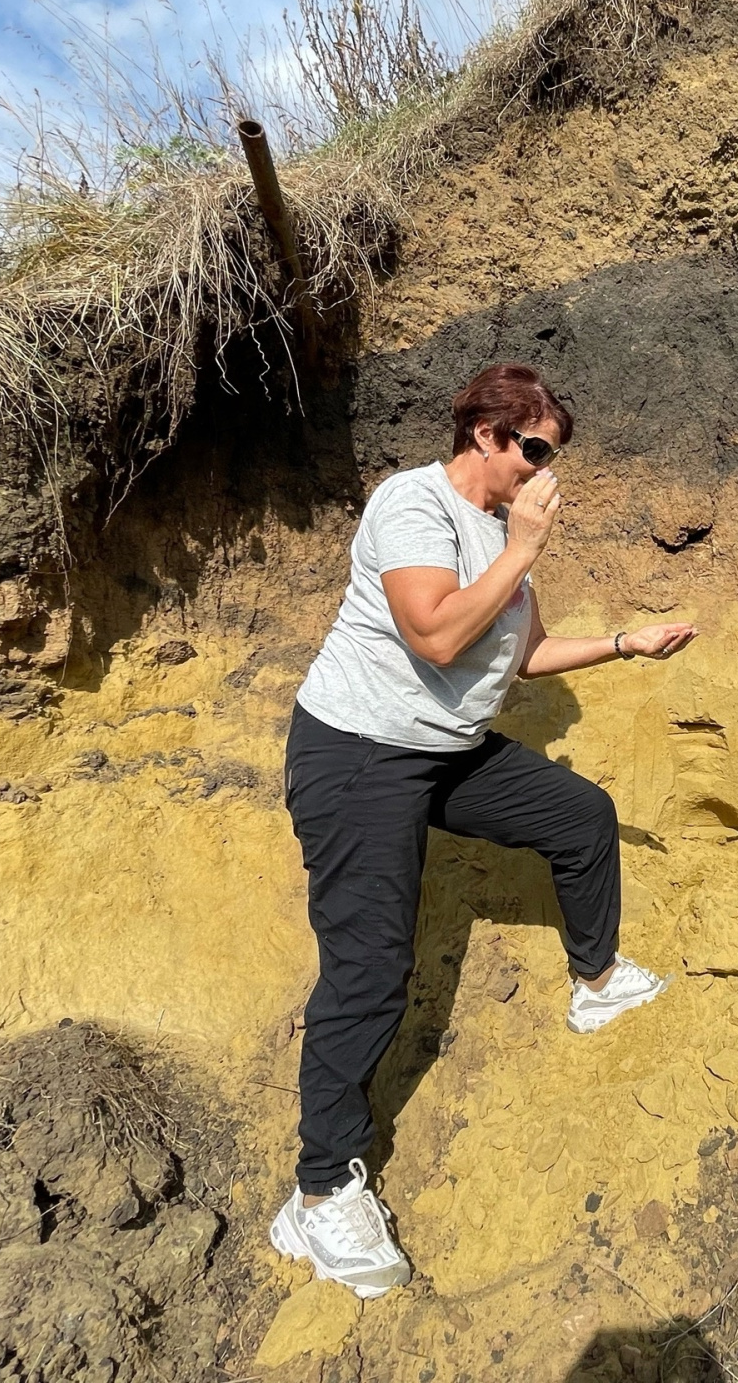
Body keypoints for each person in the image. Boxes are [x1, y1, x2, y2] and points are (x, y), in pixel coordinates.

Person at [269, 362, 699, 1299]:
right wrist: (523, 548)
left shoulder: (505, 533)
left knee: (578, 815)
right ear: (487, 436)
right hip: (357, 756)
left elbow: (528, 654)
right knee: (372, 969)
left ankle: (594, 981)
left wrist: (628, 641)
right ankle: (318, 1191)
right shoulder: (413, 505)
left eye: (553, 457)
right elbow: (432, 635)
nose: (546, 473)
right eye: (536, 451)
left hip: (441, 747)